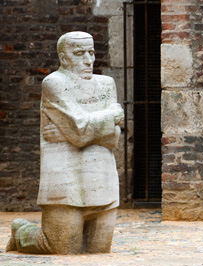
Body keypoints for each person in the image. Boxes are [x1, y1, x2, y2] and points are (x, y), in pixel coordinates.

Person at [6, 31, 124, 254]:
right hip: (66, 183)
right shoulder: (54, 83)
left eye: (91, 52)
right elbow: (80, 130)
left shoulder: (106, 84)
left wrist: (69, 133)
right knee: (61, 248)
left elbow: (114, 137)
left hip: (103, 182)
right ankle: (21, 232)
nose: (88, 60)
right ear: (64, 58)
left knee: (98, 252)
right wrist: (110, 117)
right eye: (79, 54)